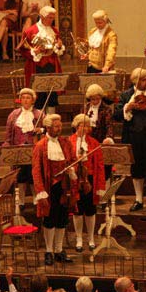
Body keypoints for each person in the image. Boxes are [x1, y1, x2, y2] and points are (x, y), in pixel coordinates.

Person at [114, 68, 146, 213]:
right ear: (136, 81)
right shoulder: (126, 95)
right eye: (143, 80)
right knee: (136, 169)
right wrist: (128, 107)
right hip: (134, 137)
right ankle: (139, 199)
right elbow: (117, 115)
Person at [32, 114, 76, 265]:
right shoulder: (40, 146)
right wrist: (40, 190)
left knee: (62, 219)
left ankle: (59, 250)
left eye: (60, 125)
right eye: (56, 126)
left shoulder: (66, 143)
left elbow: (71, 160)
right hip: (49, 187)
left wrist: (72, 169)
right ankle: (49, 251)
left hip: (64, 187)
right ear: (49, 128)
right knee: (49, 219)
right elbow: (36, 170)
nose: (60, 128)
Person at [69, 114, 105, 252]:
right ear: (76, 126)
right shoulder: (69, 142)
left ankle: (90, 238)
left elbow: (100, 166)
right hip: (74, 179)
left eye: (87, 126)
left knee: (90, 211)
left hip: (89, 180)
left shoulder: (94, 143)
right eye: (82, 125)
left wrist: (100, 186)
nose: (85, 128)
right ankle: (79, 238)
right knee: (77, 212)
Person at [3, 87, 43, 209]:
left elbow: (46, 130)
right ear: (20, 100)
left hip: (33, 151)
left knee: (33, 176)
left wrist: (41, 130)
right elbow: (9, 133)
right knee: (20, 177)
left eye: (28, 98)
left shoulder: (39, 114)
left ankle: (37, 200)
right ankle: (20, 202)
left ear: (33, 100)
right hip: (18, 151)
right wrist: (8, 147)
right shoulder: (13, 115)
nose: (25, 100)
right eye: (23, 98)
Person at [20, 5, 64, 108]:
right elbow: (23, 49)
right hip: (36, 66)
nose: (52, 20)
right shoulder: (30, 31)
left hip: (52, 65)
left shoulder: (55, 30)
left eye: (53, 18)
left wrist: (59, 46)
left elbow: (57, 47)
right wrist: (34, 51)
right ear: (42, 16)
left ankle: (51, 120)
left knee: (52, 94)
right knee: (38, 95)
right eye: (50, 17)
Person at [84, 83, 114, 188]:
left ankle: (104, 193)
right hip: (88, 142)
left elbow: (109, 125)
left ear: (100, 97)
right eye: (92, 99)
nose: (94, 101)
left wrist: (108, 138)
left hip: (101, 140)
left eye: (97, 99)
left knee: (103, 168)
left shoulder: (106, 109)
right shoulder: (86, 107)